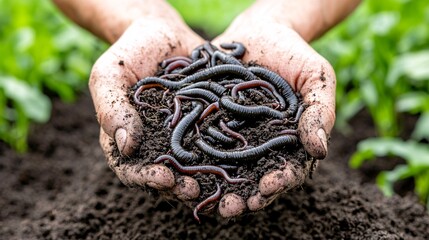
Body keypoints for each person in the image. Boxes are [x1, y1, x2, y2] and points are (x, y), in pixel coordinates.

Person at [53, 0, 361, 217]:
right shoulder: (199, 110)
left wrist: (278, 20)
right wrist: (144, 18)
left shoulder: (250, 103)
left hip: (221, 121)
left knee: (269, 112)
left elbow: (243, 106)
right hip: (204, 126)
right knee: (228, 125)